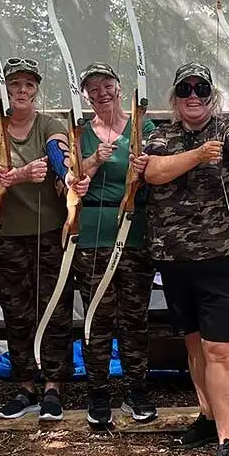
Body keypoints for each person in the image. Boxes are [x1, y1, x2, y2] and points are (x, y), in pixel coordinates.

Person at [142, 63, 229, 456]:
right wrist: (197, 155)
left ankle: (228, 443)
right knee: (194, 344)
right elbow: (153, 172)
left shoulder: (228, 129)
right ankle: (209, 418)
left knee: (221, 350)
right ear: (175, 98)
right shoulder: (162, 135)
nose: (193, 96)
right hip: (175, 260)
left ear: (212, 95)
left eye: (201, 89)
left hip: (225, 260)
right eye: (185, 89)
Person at [0, 58, 76, 422]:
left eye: (28, 85)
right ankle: (25, 386)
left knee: (54, 309)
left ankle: (53, 387)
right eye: (15, 85)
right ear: (5, 89)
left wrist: (66, 172)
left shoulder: (48, 124)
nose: (22, 91)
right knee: (17, 312)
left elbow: (59, 151)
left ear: (36, 90)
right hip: (6, 236)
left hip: (50, 234)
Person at [67, 62, 158, 425]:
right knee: (98, 316)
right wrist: (91, 162)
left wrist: (144, 166)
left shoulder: (142, 128)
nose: (101, 93)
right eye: (93, 88)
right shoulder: (81, 133)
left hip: (133, 233)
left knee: (134, 317)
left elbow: (156, 169)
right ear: (86, 96)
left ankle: (137, 390)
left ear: (119, 88)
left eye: (107, 85)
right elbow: (70, 179)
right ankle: (99, 392)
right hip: (93, 235)